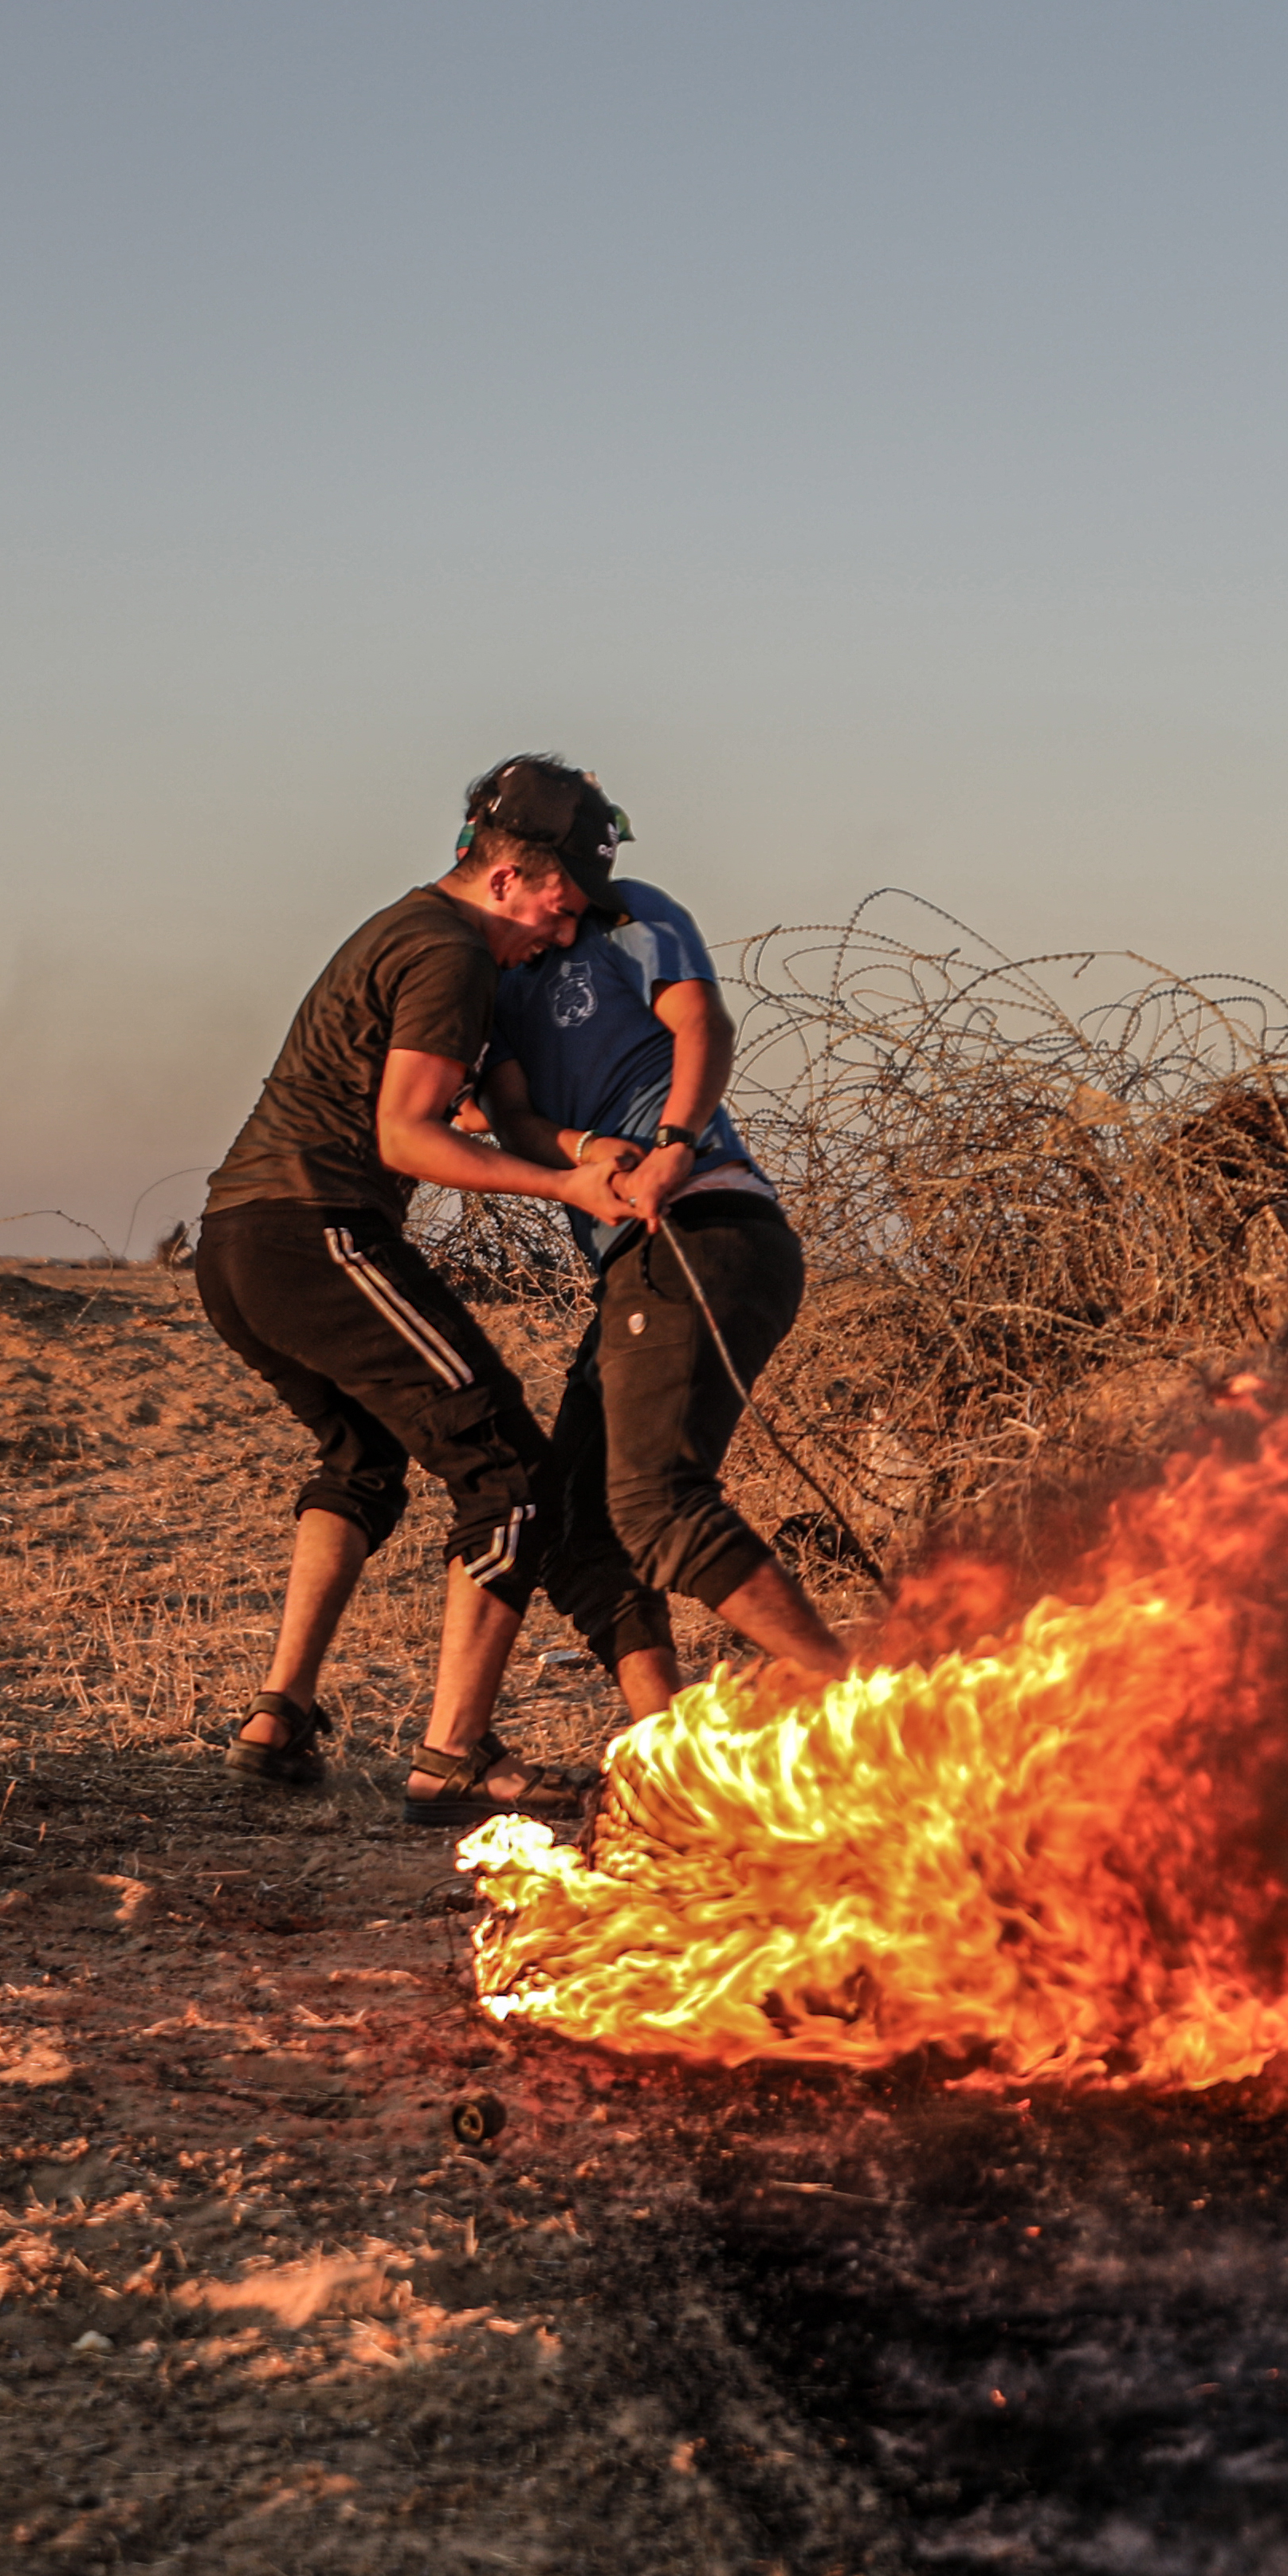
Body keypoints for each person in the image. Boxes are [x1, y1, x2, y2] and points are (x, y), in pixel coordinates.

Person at [194, 757, 642, 1827]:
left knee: (361, 1457)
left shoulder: (409, 930)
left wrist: (576, 1138)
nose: (564, 932)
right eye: (558, 905)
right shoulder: (448, 956)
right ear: (505, 878)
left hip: (236, 1240)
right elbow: (406, 1132)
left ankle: (278, 1718)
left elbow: (443, 1099)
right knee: (512, 1475)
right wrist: (564, 1183)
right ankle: (455, 1756)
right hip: (316, 1232)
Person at [480, 836, 853, 1719]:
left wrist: (675, 1146)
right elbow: (512, 1120)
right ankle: (674, 1752)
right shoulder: (494, 982)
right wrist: (577, 1152)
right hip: (632, 1260)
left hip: (705, 1225)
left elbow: (703, 1026)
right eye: (556, 892)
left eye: (581, 887)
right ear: (506, 879)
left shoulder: (630, 916)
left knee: (656, 1501)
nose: (568, 907)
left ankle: (867, 1710)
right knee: (576, 1530)